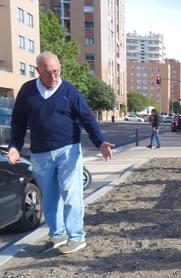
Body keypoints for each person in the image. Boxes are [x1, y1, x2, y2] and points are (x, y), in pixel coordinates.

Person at [7, 51, 114, 254]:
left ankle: (76, 237)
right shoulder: (27, 92)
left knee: (71, 195)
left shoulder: (69, 91)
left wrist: (100, 142)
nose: (53, 77)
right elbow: (18, 122)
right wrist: (15, 147)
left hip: (68, 151)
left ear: (60, 68)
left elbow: (87, 118)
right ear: (37, 71)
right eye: (48, 73)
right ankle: (57, 234)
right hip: (40, 154)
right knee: (49, 197)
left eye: (56, 71)